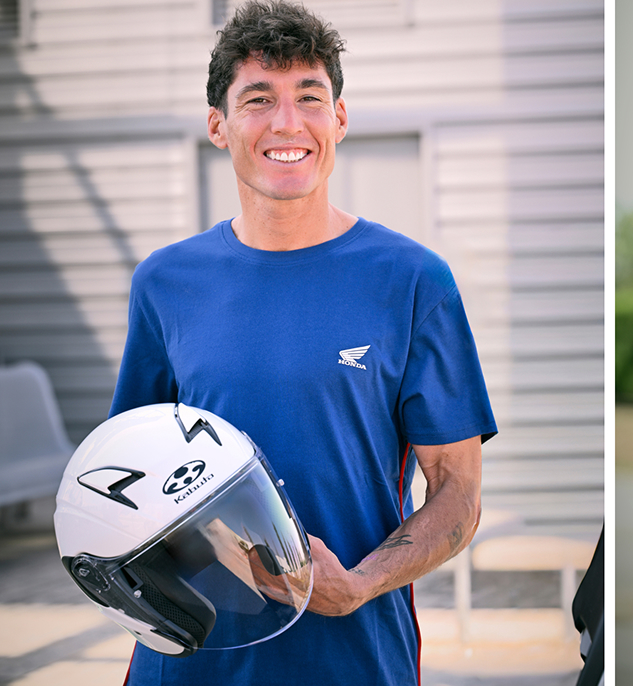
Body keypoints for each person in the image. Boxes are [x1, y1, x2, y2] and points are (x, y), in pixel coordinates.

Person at [108, 2, 496, 684]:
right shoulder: (165, 284)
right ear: (218, 127)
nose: (287, 122)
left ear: (339, 120)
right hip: (191, 663)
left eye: (309, 98)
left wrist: (359, 583)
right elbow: (129, 481)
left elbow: (458, 495)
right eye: (258, 99)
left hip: (352, 659)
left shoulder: (413, 281)